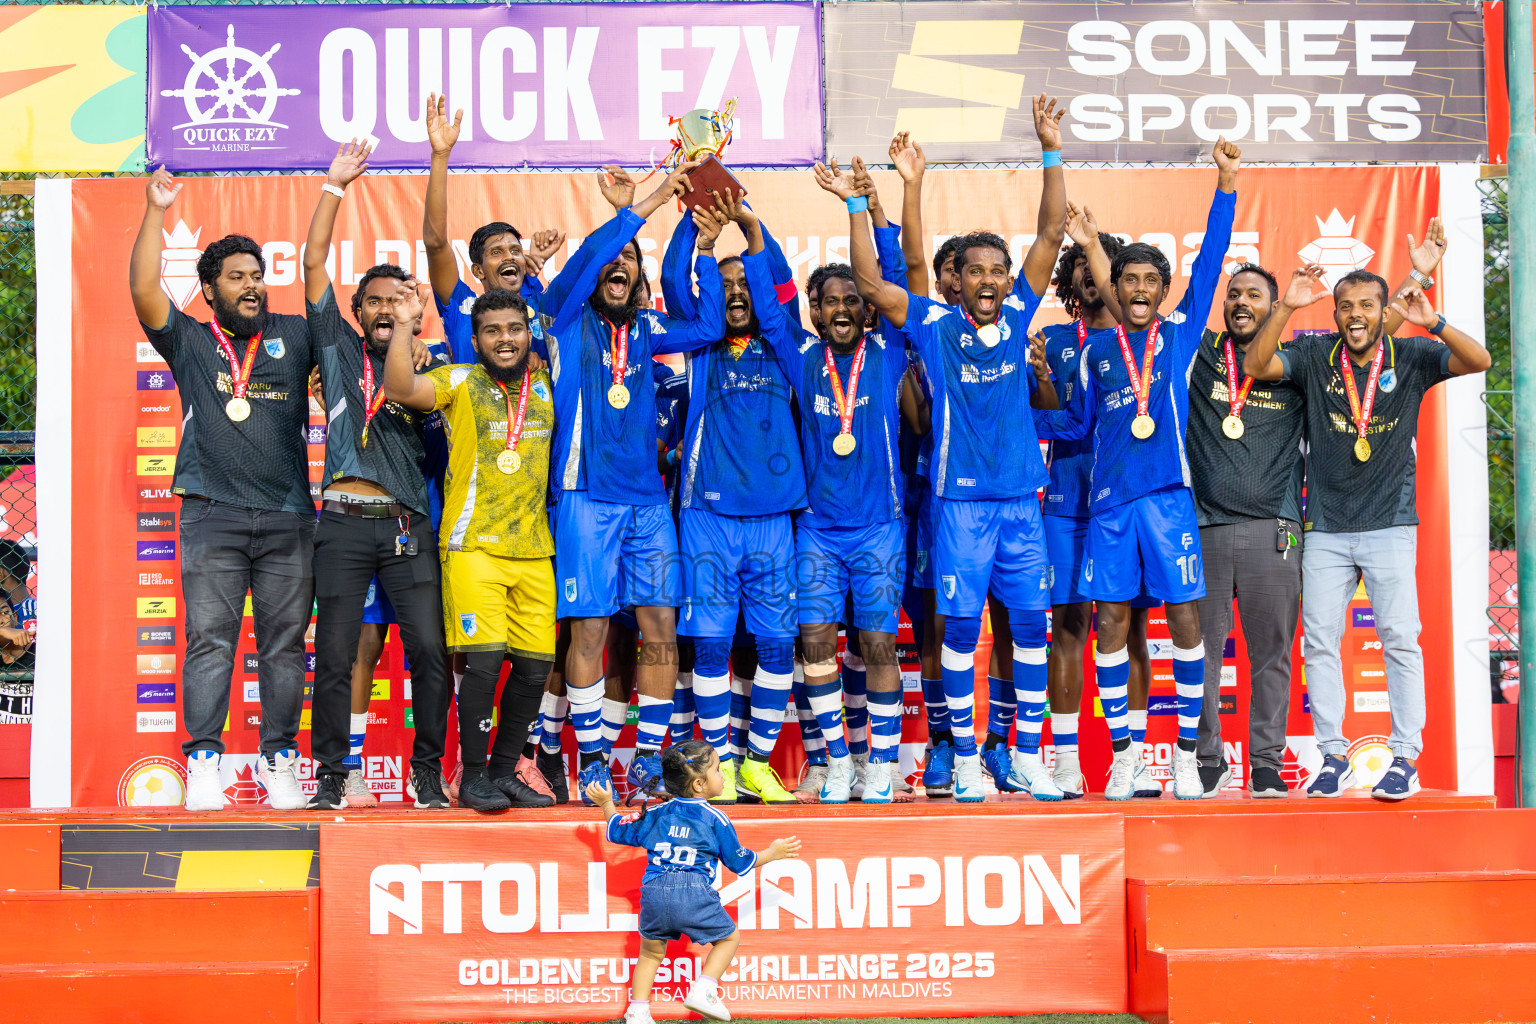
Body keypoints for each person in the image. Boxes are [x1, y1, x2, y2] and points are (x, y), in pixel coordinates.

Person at [845, 95, 1067, 802]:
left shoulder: (1021, 312)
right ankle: (965, 759)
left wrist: (1050, 147)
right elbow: (877, 280)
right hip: (960, 508)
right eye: (975, 271)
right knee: (961, 635)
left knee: (1029, 630)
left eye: (998, 270)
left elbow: (1052, 230)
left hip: (1022, 506)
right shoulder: (934, 327)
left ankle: (1025, 756)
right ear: (959, 280)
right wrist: (882, 195)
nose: (989, 280)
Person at [1189, 225, 1449, 799]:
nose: (1242, 302)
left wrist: (1418, 275)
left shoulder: (1307, 357)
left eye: (1256, 295)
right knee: (1205, 652)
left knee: (1279, 655)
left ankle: (1268, 762)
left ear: (1274, 305)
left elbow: (1372, 331)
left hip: (1284, 527)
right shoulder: (1203, 351)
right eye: (1235, 294)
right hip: (1212, 524)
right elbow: (1215, 321)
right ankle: (1211, 760)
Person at [1036, 138, 1242, 801]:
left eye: (1153, 281)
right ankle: (1124, 757)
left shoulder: (1178, 335)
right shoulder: (1096, 350)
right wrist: (1017, 421)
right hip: (1108, 507)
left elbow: (1210, 261)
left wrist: (1226, 183)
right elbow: (1075, 424)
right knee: (1111, 625)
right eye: (1130, 280)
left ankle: (1180, 756)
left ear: (1164, 289)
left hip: (1168, 499)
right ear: (1115, 289)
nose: (1142, 290)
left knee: (1183, 622)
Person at [1243, 265, 1490, 801]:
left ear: (1383, 311)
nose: (1355, 315)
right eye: (1346, 306)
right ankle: (1334, 757)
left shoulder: (1413, 355)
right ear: (1335, 313)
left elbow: (1480, 360)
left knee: (1400, 640)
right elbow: (1256, 365)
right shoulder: (1315, 355)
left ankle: (1405, 759)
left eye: (1366, 306)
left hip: (1391, 524)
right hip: (1325, 528)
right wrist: (1287, 306)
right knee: (1320, 644)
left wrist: (1435, 322)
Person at [130, 168, 317, 811]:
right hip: (213, 514)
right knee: (211, 641)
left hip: (289, 515)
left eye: (256, 274)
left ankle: (278, 759)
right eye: (236, 277)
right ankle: (205, 761)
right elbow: (143, 288)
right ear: (210, 290)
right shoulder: (188, 340)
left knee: (284, 647)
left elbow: (352, 359)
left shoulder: (294, 333)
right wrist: (156, 211)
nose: (252, 285)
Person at [720, 187, 913, 804]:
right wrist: (750, 226)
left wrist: (866, 212)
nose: (842, 308)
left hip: (879, 525)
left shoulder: (889, 350)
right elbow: (766, 296)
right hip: (817, 532)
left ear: (867, 308)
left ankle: (880, 765)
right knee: (816, 646)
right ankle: (835, 761)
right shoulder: (801, 353)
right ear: (814, 310)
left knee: (878, 644)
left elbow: (894, 279)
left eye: (853, 299)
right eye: (830, 301)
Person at [541, 161, 723, 806]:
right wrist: (637, 207)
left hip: (648, 501)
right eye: (612, 261)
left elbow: (708, 326)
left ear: (640, 282)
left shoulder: (648, 331)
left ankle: (647, 761)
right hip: (585, 494)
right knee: (589, 631)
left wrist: (696, 240)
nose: (619, 266)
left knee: (661, 628)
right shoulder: (563, 319)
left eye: (630, 262)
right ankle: (592, 760)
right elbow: (591, 256)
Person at [299, 141, 459, 812]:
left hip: (405, 527)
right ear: (358, 311)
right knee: (336, 653)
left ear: (416, 309)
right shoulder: (336, 348)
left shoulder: (431, 367)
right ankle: (334, 775)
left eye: (400, 299)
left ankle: (427, 774)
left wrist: (415, 343)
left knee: (429, 653)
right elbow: (313, 263)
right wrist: (335, 185)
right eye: (375, 301)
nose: (387, 308)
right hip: (340, 524)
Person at [659, 200, 805, 806]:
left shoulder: (786, 340)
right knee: (712, 648)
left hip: (773, 518)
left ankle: (757, 765)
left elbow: (779, 286)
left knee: (777, 648)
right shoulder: (702, 344)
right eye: (727, 285)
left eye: (747, 283)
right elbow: (673, 280)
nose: (738, 293)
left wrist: (749, 223)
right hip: (707, 517)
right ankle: (716, 769)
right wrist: (695, 232)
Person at [1036, 234, 1158, 799]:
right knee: (1068, 630)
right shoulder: (1052, 341)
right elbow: (1049, 419)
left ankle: (1130, 761)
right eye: (1081, 268)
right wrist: (1041, 380)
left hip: (1128, 504)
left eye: (1100, 266)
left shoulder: (1149, 341)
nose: (1092, 275)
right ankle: (1065, 763)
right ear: (1070, 281)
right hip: (1066, 505)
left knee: (1131, 632)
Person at [587, 739, 801, 1024]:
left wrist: (606, 803)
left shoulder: (655, 813)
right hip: (693, 890)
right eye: (718, 770)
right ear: (699, 784)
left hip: (653, 892)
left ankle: (637, 1011)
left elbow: (616, 830)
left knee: (649, 955)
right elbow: (739, 862)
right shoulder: (715, 818)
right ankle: (705, 990)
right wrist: (772, 853)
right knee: (729, 938)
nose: (723, 775)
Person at [422, 94, 563, 365]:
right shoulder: (464, 308)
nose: (510, 256)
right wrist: (440, 156)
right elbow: (435, 242)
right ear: (478, 271)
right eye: (497, 252)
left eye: (515, 251)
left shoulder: (540, 305)